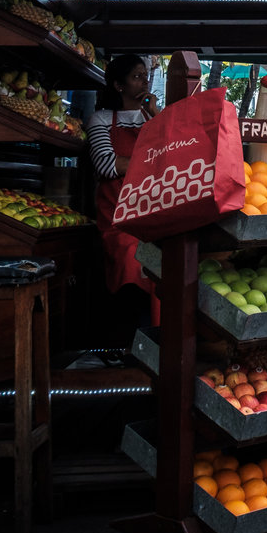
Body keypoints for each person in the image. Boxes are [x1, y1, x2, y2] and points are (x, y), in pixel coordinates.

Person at [86, 54, 159, 328]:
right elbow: (106, 165)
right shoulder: (100, 120)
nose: (144, 81)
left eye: (145, 76)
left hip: (152, 217)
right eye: (137, 76)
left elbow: (175, 154)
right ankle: (131, 340)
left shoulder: (151, 120)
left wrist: (156, 117)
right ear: (118, 85)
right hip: (118, 220)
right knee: (132, 261)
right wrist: (153, 160)